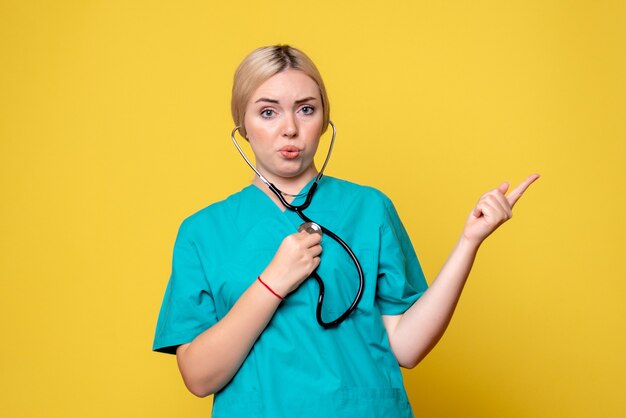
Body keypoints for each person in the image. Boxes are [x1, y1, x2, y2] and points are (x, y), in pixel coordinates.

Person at [152, 44, 539, 417]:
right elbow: (199, 378)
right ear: (244, 126)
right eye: (268, 112)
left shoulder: (369, 209)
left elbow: (406, 347)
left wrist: (469, 241)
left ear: (323, 121)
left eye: (306, 109)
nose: (289, 128)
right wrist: (274, 281)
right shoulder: (202, 232)